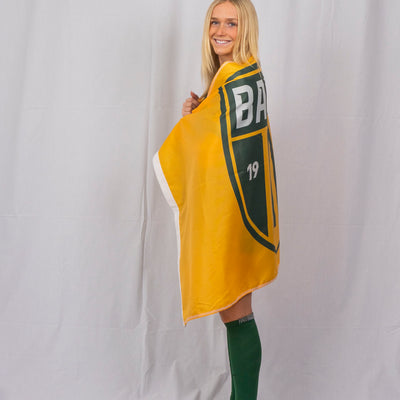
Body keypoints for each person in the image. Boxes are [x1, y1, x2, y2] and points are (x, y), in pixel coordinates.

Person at [153, 1, 280, 398]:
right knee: (236, 315)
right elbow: (221, 142)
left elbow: (214, 146)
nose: (221, 31)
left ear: (246, 29)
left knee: (238, 315)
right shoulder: (243, 76)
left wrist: (192, 123)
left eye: (231, 23)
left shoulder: (235, 78)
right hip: (244, 209)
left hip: (233, 213)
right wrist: (200, 110)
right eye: (215, 22)